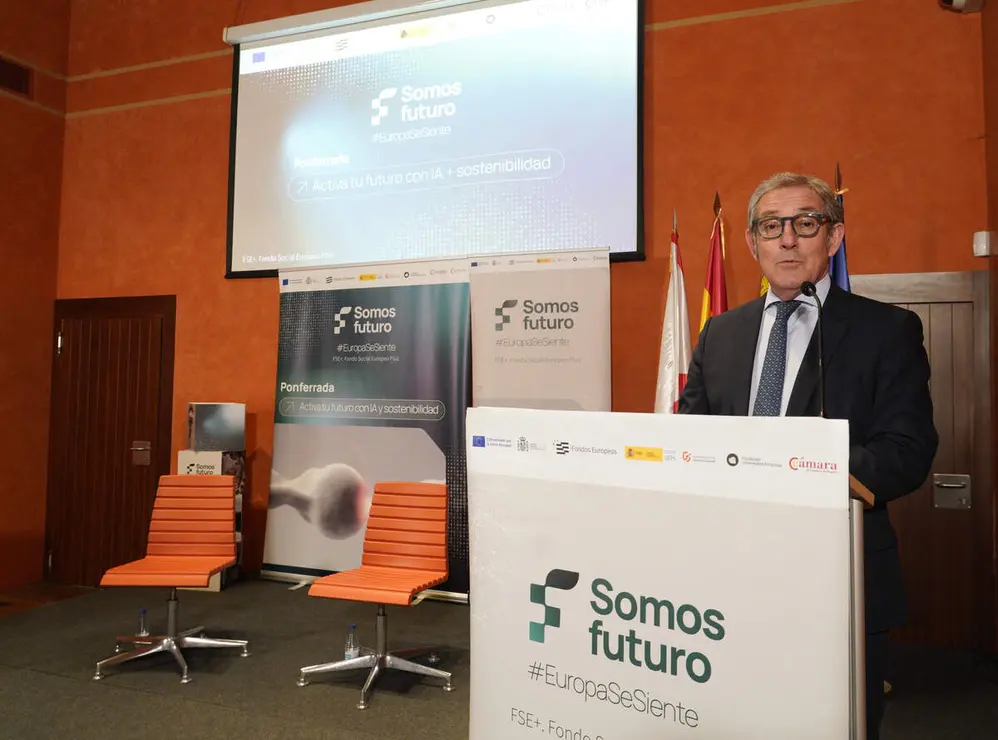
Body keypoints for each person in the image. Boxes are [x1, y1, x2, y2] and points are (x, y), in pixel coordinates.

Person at [678, 171, 938, 740]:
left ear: (834, 236)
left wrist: (802, 474)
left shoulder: (887, 330)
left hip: (840, 579)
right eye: (771, 226)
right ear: (753, 243)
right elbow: (688, 439)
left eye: (806, 223)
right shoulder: (719, 333)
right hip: (731, 573)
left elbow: (907, 451)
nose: (788, 239)